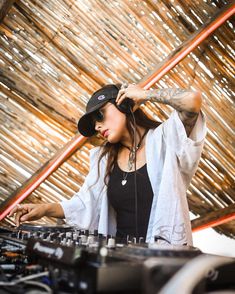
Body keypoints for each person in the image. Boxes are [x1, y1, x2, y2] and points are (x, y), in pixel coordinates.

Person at [8, 83, 206, 245]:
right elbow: (84, 204)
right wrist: (44, 209)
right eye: (93, 123)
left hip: (163, 262)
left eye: (100, 115)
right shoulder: (103, 160)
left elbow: (192, 100)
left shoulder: (165, 140)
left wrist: (145, 94)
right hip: (117, 261)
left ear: (124, 105)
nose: (97, 126)